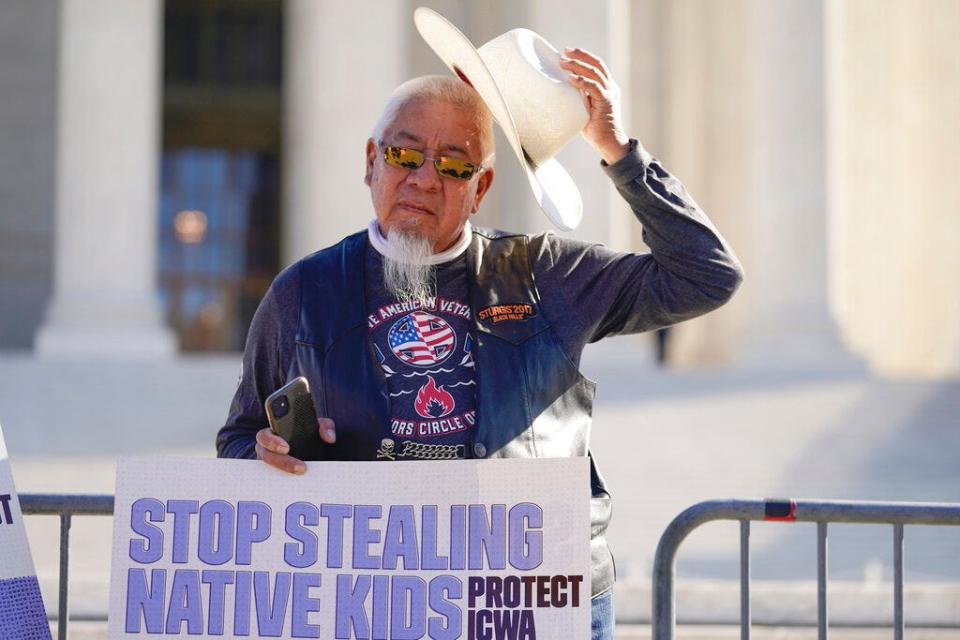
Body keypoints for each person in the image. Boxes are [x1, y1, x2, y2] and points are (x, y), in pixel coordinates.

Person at [217, 48, 743, 640]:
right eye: (404, 153)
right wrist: (265, 456)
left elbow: (708, 276)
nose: (423, 178)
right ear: (371, 162)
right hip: (376, 600)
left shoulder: (544, 274)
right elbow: (240, 436)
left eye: (453, 164)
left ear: (482, 186)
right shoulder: (303, 292)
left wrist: (620, 153)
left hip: (536, 600)